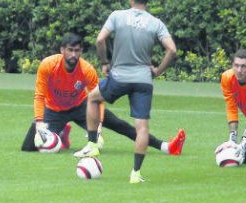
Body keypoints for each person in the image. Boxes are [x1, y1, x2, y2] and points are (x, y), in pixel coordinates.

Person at [74, 0, 181, 184]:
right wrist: (158, 70)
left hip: (119, 77)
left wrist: (105, 62)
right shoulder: (155, 23)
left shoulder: (117, 16)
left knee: (93, 99)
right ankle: (135, 174)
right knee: (142, 128)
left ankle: (93, 144)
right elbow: (172, 49)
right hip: (143, 81)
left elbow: (99, 40)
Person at [20, 32, 185, 155]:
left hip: (81, 107)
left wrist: (97, 126)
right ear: (62, 50)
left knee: (120, 124)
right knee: (28, 147)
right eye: (70, 50)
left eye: (77, 51)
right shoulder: (48, 65)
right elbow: (39, 96)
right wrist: (40, 122)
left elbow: (97, 99)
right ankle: (61, 134)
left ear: (81, 51)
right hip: (54, 110)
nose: (73, 55)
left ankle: (166, 147)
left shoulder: (86, 70)